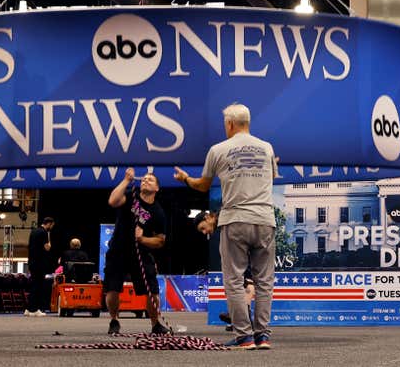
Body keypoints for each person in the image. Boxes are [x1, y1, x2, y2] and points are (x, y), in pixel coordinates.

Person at [175, 103, 277, 350]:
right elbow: (272, 177)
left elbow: (202, 185)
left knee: (233, 280)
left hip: (235, 220)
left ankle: (245, 337)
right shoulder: (266, 148)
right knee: (264, 282)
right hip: (265, 219)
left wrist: (186, 179)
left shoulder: (218, 149)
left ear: (230, 124)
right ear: (248, 122)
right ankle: (262, 336)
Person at [104, 168, 170, 335]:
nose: (145, 181)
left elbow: (160, 240)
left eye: (150, 180)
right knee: (112, 288)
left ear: (157, 188)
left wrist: (142, 239)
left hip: (140, 253)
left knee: (152, 291)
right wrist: (126, 180)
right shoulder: (130, 195)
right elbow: (112, 201)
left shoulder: (158, 212)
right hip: (118, 249)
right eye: (144, 179)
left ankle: (155, 324)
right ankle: (114, 320)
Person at [193, 211, 255, 332]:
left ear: (207, 217)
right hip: (240, 252)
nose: (204, 232)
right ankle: (239, 319)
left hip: (244, 251)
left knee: (248, 287)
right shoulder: (222, 224)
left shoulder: (225, 218)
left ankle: (243, 320)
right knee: (240, 285)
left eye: (203, 228)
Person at [25, 217, 55, 317]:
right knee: (38, 286)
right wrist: (49, 238)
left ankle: (28, 309)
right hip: (39, 263)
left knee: (33, 285)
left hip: (32, 262)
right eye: (52, 225)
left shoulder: (33, 231)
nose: (51, 227)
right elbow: (47, 248)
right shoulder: (44, 233)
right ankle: (35, 309)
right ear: (49, 224)